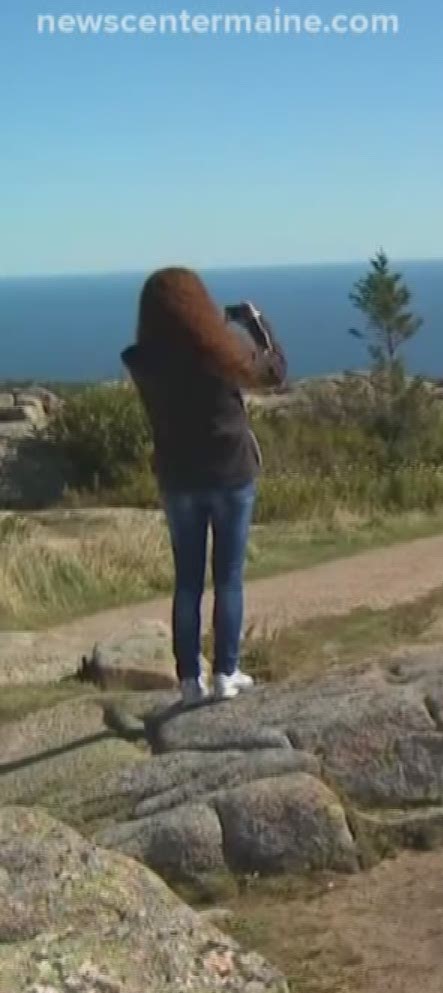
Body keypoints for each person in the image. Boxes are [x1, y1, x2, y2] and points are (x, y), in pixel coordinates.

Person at [121, 268, 287, 705]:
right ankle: (226, 674)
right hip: (230, 474)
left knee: (188, 582)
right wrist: (255, 323)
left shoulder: (141, 360)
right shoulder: (222, 351)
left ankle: (189, 680)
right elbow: (275, 371)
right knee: (228, 578)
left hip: (178, 478)